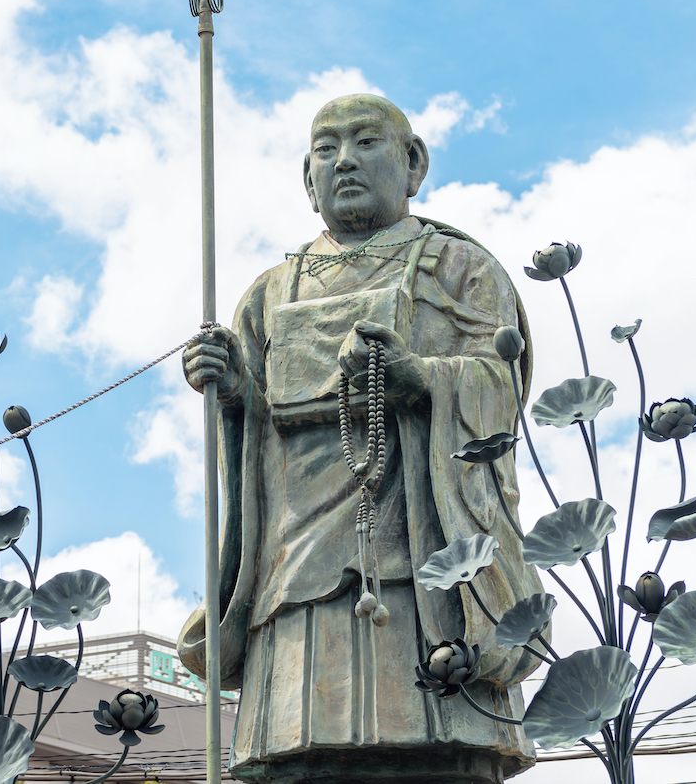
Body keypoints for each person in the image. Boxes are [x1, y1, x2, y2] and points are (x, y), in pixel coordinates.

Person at [179, 94, 543, 783]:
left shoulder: (459, 270)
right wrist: (230, 391)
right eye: (326, 147)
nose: (344, 159)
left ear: (413, 163)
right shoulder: (270, 292)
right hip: (297, 572)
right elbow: (253, 431)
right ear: (307, 178)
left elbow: (499, 386)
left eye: (367, 141)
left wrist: (424, 379)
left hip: (423, 567)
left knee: (443, 759)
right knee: (298, 758)